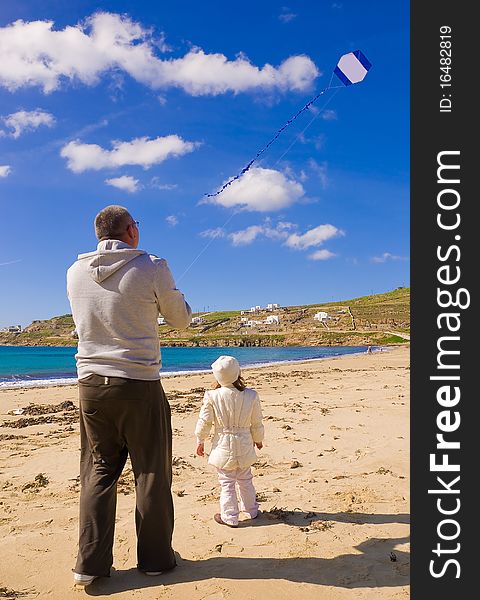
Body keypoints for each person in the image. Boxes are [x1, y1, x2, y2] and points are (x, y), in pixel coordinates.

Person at [67, 205, 191, 586]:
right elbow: (181, 320)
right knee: (151, 472)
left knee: (99, 472)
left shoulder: (74, 272)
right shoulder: (152, 265)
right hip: (138, 383)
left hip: (91, 386)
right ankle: (155, 560)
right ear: (131, 231)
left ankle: (90, 565)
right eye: (136, 225)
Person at [195, 356, 264, 528]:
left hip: (223, 444)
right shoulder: (251, 395)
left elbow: (205, 421)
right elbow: (257, 422)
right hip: (245, 443)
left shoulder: (212, 396)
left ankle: (230, 516)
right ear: (238, 373)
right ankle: (251, 510)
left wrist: (200, 440)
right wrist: (258, 439)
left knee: (227, 482)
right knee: (245, 479)